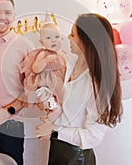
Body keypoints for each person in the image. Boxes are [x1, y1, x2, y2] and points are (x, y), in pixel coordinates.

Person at [35, 13, 122, 165]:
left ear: (85, 41)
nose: (68, 37)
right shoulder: (69, 63)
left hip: (76, 155)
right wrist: (49, 102)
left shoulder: (97, 85)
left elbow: (93, 136)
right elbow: (66, 105)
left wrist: (54, 131)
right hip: (57, 148)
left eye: (73, 34)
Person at [0, 0, 34, 165]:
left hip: (11, 124)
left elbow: (31, 91)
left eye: (7, 13)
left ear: (14, 15)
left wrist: (7, 112)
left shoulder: (24, 45)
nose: (2, 17)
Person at [19, 22, 66, 119]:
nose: (53, 40)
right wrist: (45, 61)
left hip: (59, 83)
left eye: (57, 37)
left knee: (62, 100)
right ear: (42, 42)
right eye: (48, 38)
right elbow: (35, 69)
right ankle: (49, 113)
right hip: (46, 84)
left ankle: (57, 114)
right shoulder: (43, 54)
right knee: (47, 100)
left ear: (61, 38)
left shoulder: (63, 54)